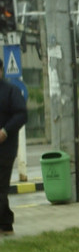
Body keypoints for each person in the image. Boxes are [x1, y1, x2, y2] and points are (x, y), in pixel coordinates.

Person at [0, 58, 28, 237]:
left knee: (1, 188)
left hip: (5, 149)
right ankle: (6, 222)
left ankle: (6, 223)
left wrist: (5, 131)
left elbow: (22, 115)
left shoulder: (11, 91)